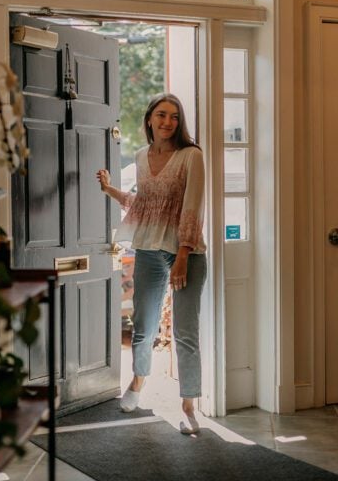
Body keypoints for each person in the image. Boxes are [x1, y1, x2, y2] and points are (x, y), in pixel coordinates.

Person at [96, 93, 207, 434]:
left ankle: (188, 406)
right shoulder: (142, 156)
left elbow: (193, 206)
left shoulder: (191, 155)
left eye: (174, 116)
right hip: (147, 250)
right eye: (161, 114)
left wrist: (183, 255)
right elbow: (144, 203)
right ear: (149, 119)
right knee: (143, 327)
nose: (168, 122)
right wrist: (110, 190)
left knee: (185, 332)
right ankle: (138, 382)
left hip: (186, 253)